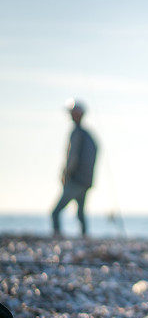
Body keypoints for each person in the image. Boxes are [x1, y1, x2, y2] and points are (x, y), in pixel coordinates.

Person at [51, 98, 98, 237]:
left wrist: (66, 173)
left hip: (76, 180)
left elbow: (73, 157)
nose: (70, 115)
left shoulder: (77, 133)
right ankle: (84, 236)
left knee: (56, 212)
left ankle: (57, 236)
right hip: (85, 181)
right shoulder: (88, 135)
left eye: (72, 112)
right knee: (80, 212)